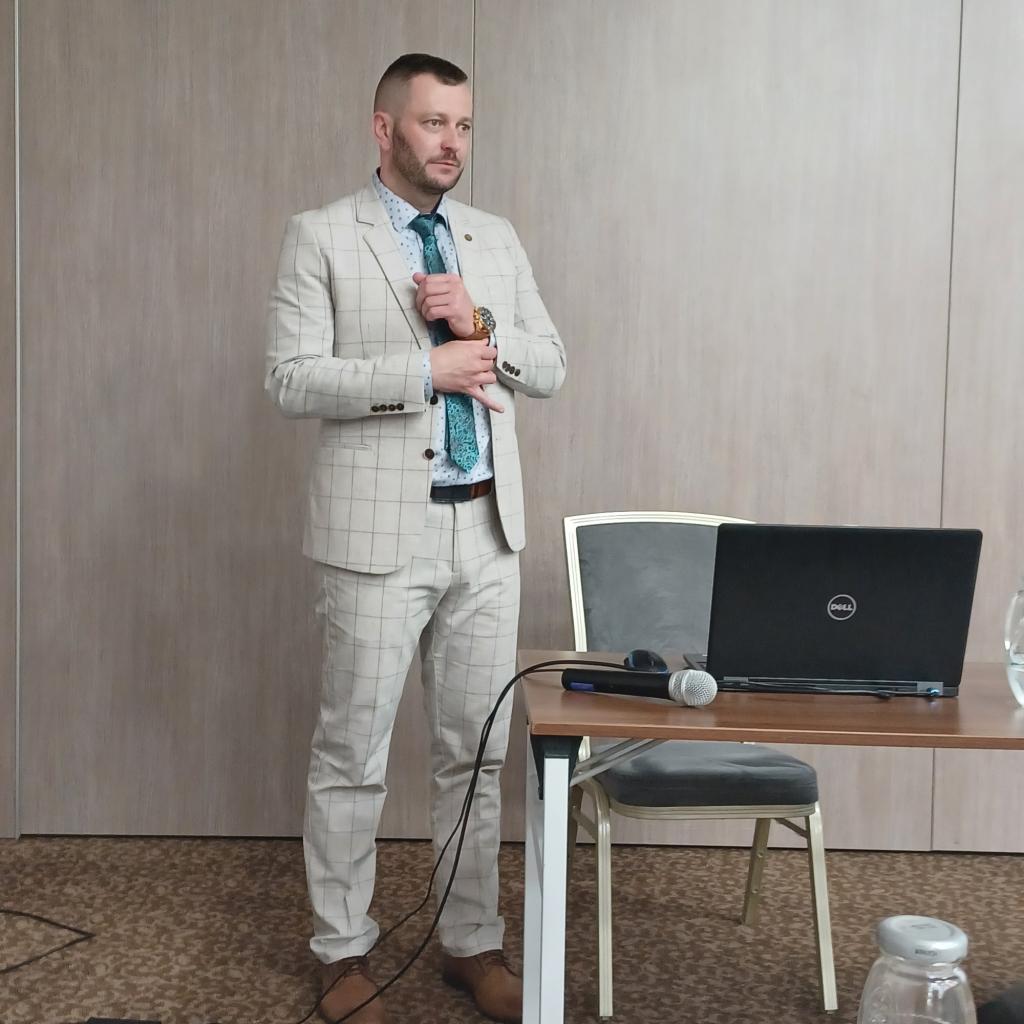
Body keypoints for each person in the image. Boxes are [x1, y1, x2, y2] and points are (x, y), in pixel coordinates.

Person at [265, 52, 566, 1024]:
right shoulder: (321, 234)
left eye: (463, 125)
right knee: (352, 753)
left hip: (487, 529)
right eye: (434, 122)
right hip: (374, 539)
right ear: (384, 127)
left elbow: (551, 365)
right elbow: (289, 378)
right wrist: (421, 370)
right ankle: (341, 951)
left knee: (473, 755)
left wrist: (480, 323)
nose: (451, 142)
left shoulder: (493, 238)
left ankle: (470, 940)